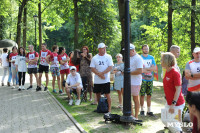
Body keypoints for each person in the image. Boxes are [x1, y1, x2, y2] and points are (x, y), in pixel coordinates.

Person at [161, 52, 185, 133]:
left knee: (174, 123)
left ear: (167, 61)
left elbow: (178, 89)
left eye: (162, 60)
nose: (161, 61)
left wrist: (173, 104)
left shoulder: (175, 72)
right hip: (169, 102)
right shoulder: (167, 71)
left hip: (177, 103)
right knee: (164, 119)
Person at [90, 43, 113, 116]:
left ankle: (109, 109)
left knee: (107, 94)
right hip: (97, 80)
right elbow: (92, 68)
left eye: (105, 48)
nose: (104, 49)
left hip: (106, 79)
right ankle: (100, 107)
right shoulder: (95, 58)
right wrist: (99, 74)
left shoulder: (108, 57)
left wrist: (102, 73)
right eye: (103, 48)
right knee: (97, 94)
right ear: (99, 49)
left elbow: (110, 67)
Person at [140, 44, 156, 117]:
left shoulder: (151, 57)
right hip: (142, 79)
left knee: (149, 95)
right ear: (142, 49)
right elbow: (140, 69)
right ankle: (142, 110)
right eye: (144, 49)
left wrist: (145, 69)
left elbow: (154, 68)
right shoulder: (140, 58)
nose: (146, 50)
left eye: (147, 49)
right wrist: (148, 69)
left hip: (150, 79)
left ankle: (149, 110)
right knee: (142, 95)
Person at [128, 44, 143, 120]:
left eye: (129, 51)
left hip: (136, 82)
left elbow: (140, 70)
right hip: (128, 81)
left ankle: (136, 116)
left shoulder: (138, 58)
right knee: (128, 99)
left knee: (135, 99)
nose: (127, 52)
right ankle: (131, 114)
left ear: (133, 50)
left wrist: (128, 73)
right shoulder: (128, 58)